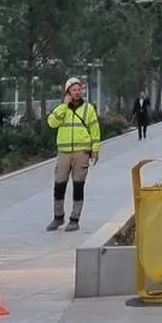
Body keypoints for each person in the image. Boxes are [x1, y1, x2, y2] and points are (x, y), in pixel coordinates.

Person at [45, 76, 100, 232]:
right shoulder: (62, 109)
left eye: (79, 90)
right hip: (64, 152)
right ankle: (58, 217)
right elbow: (52, 123)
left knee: (78, 185)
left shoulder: (88, 109)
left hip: (81, 152)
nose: (77, 92)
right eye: (73, 90)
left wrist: (95, 148)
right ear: (67, 92)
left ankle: (74, 219)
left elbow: (94, 129)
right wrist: (64, 106)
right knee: (59, 184)